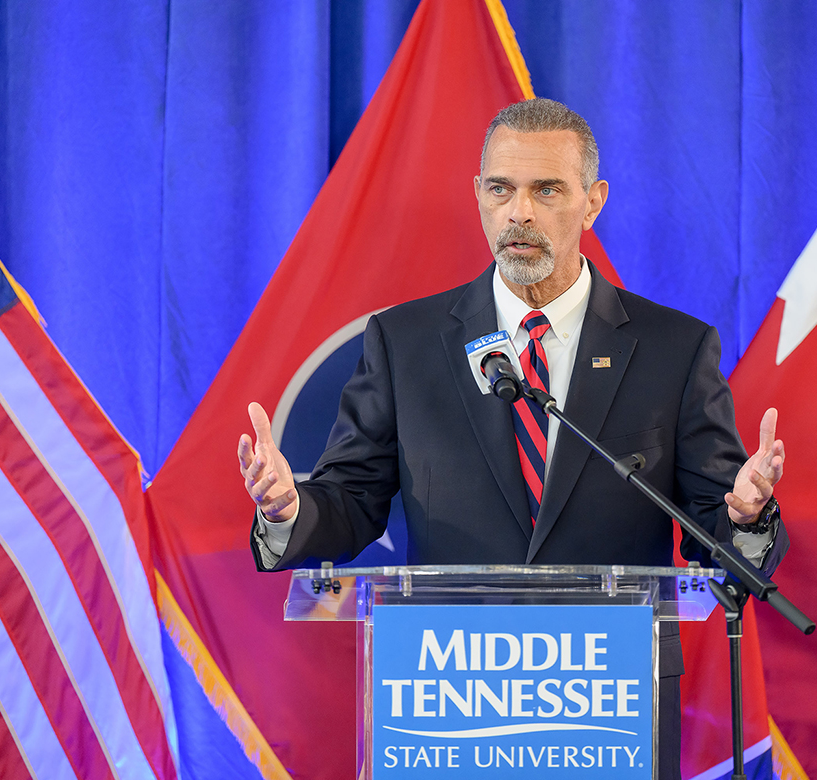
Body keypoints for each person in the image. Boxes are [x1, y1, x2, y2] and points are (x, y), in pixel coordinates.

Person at [238, 98, 788, 779]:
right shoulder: (406, 342)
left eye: (546, 190)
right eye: (501, 189)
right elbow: (351, 500)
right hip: (446, 698)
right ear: (478, 195)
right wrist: (288, 509)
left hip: (607, 702)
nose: (518, 212)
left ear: (593, 202)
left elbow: (718, 531)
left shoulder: (672, 349)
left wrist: (745, 516)